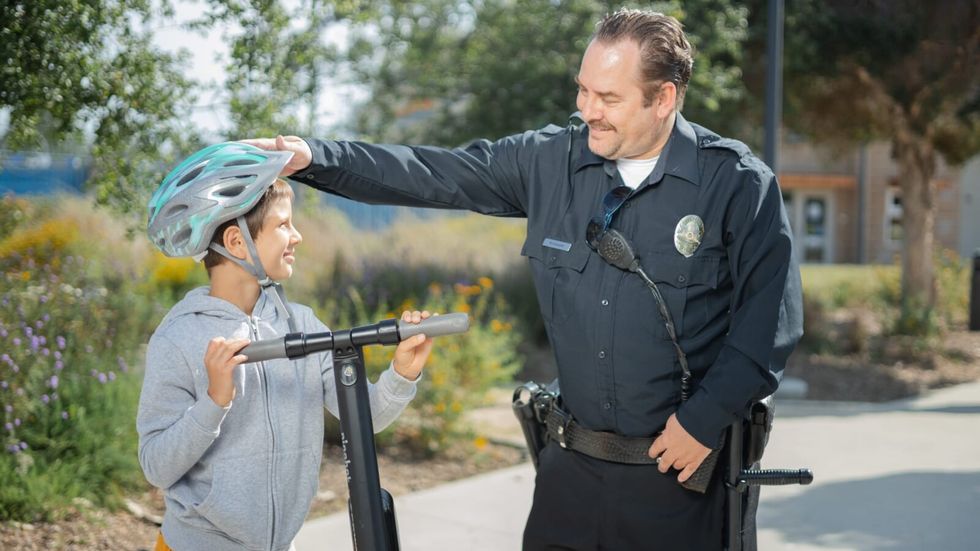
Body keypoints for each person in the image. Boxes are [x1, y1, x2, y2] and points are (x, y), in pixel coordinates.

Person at [244, 8, 803, 550]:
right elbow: (432, 173)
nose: (588, 110)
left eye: (608, 98)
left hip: (679, 480)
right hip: (569, 481)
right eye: (583, 90)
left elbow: (769, 325)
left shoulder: (736, 184)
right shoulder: (548, 161)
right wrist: (313, 157)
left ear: (664, 99)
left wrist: (703, 421)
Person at [136, 141, 435, 551]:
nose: (297, 236)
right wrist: (213, 403)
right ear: (237, 243)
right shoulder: (180, 338)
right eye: (282, 225)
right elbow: (156, 465)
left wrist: (403, 372)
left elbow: (368, 417)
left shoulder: (302, 325)